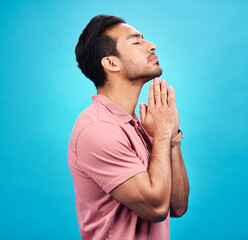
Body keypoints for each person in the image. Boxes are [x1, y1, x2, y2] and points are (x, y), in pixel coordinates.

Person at [68, 14, 190, 240]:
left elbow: (177, 206)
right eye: (136, 41)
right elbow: (156, 209)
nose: (151, 45)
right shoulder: (97, 129)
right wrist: (163, 134)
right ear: (111, 63)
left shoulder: (141, 124)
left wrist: (172, 136)